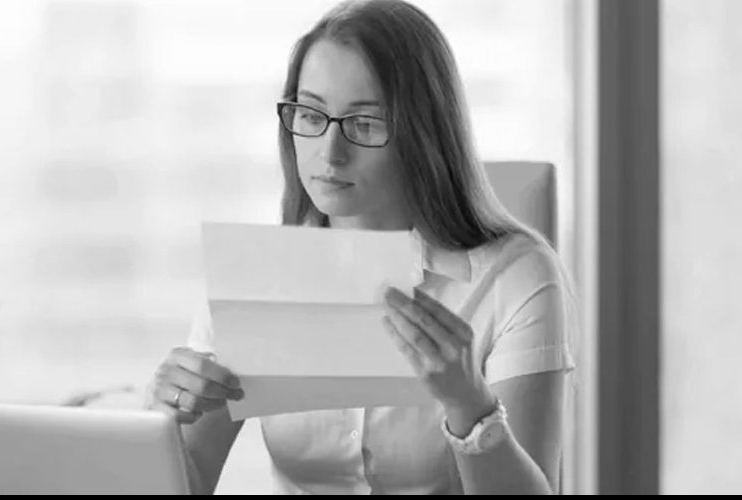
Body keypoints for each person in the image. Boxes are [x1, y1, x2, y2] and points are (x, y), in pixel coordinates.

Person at [147, 0, 577, 494]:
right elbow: (188, 482)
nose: (330, 154)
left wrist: (470, 405)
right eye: (310, 114)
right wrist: (165, 418)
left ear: (423, 134)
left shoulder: (514, 275)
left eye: (365, 123)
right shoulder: (254, 277)